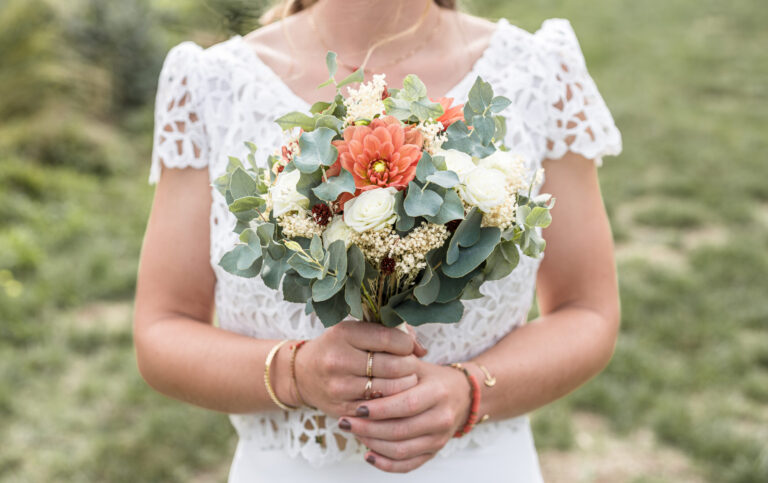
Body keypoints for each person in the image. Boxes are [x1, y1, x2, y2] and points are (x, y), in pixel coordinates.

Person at [133, 0, 623, 480]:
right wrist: (295, 374)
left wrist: (469, 394)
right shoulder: (210, 83)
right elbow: (162, 332)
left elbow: (588, 312)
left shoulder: (539, 70)